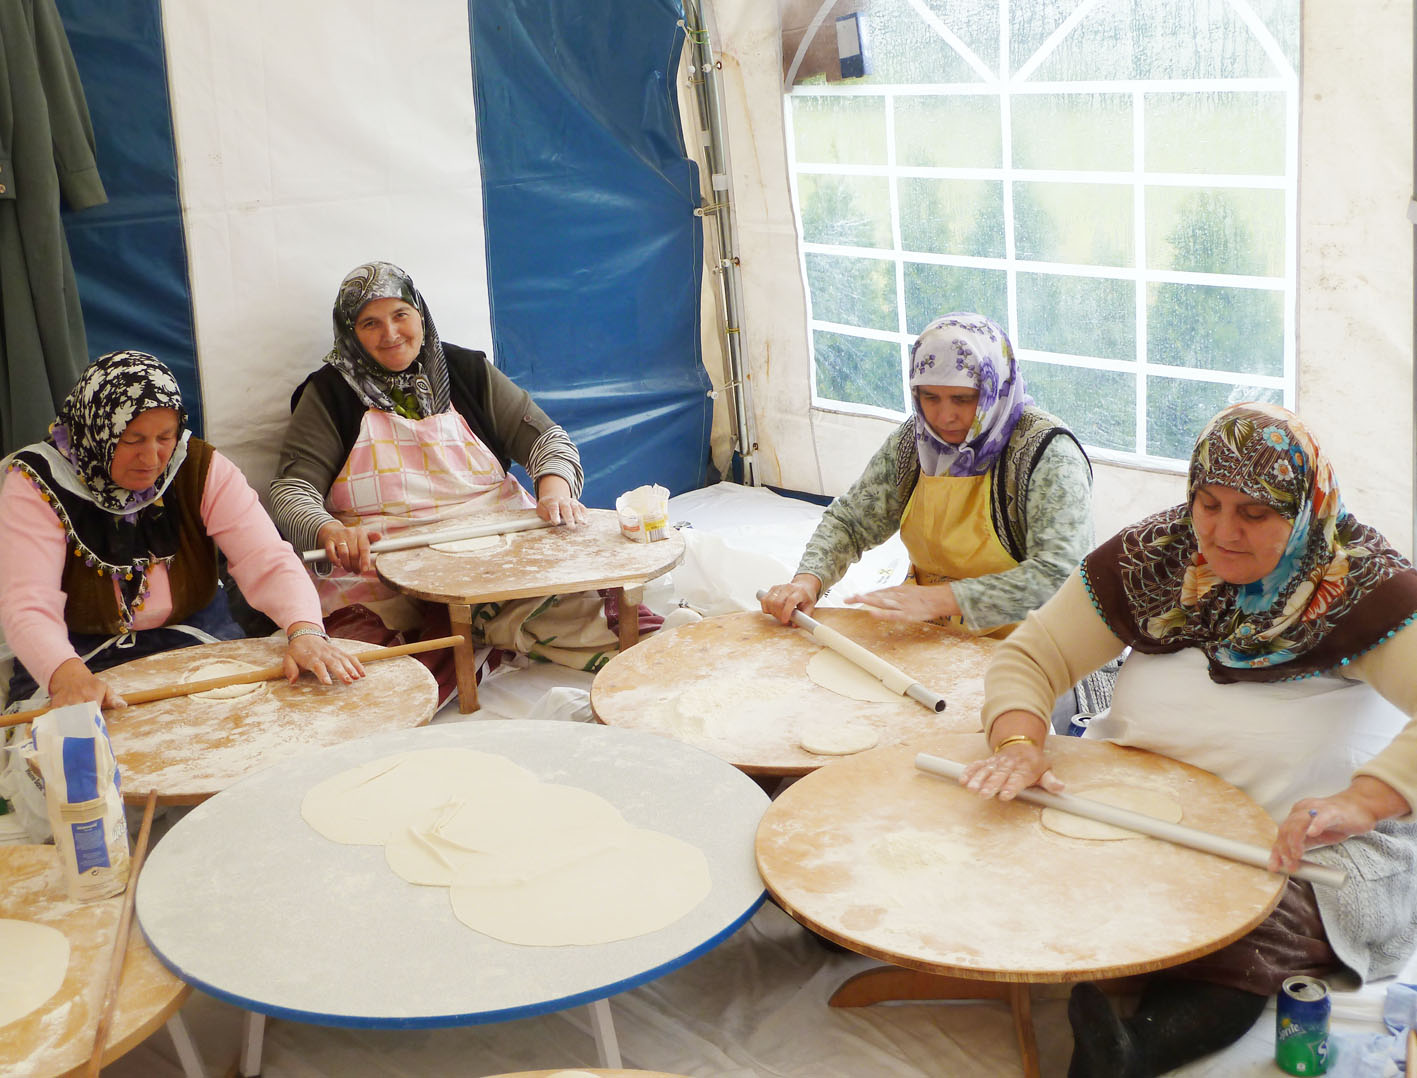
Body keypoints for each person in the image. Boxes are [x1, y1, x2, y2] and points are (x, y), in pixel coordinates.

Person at [963, 402, 1417, 1077]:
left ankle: (1134, 1051)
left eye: (1253, 513)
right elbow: (1033, 655)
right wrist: (1019, 744)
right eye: (1208, 504)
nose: (1223, 533)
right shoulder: (1155, 558)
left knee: (1249, 924)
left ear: (1302, 510)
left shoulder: (1360, 585)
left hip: (1298, 841)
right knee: (1001, 848)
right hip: (1145, 816)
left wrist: (1365, 799)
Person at [269, 261, 655, 691]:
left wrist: (554, 492)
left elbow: (547, 440)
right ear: (350, 333)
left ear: (420, 314)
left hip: (499, 552)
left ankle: (489, 630)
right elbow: (292, 489)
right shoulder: (329, 394)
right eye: (370, 323)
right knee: (362, 683)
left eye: (400, 315)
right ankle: (480, 639)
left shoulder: (466, 371)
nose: (390, 333)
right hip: (383, 566)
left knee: (633, 640)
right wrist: (328, 530)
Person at [0, 350, 365, 712]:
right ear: (98, 430)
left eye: (165, 436)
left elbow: (265, 557)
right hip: (76, 655)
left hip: (195, 635)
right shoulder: (37, 483)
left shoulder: (197, 466)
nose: (152, 458)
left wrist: (305, 630)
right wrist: (64, 673)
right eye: (132, 439)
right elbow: (28, 602)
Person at [760, 313, 1094, 638]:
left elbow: (1061, 575)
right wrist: (808, 580)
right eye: (929, 397)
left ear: (995, 388)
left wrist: (942, 599)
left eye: (963, 399)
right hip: (929, 630)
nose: (944, 416)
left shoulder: (1046, 453)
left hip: (1031, 641)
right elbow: (851, 521)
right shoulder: (916, 441)